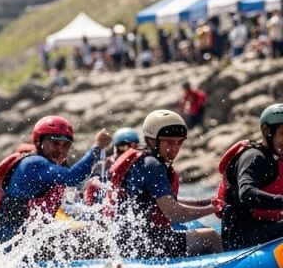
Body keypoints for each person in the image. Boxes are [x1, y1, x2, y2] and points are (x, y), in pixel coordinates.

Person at [109, 110, 221, 257]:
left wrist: (205, 203)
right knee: (211, 237)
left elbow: (165, 201)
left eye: (179, 142)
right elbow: (174, 213)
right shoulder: (153, 165)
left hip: (130, 240)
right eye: (169, 142)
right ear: (151, 140)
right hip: (143, 244)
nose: (175, 148)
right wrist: (214, 209)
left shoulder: (145, 160)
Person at [0, 116, 111, 242]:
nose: (60, 150)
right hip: (12, 244)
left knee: (94, 229)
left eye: (66, 145)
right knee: (89, 235)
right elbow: (73, 178)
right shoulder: (33, 163)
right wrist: (97, 147)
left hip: (31, 241)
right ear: (38, 142)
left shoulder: (50, 166)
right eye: (55, 143)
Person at [216, 105, 283, 250]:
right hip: (240, 237)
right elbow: (246, 193)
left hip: (265, 227)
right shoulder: (253, 157)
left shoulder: (279, 159)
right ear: (266, 131)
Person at [83, 128, 138, 205]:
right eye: (123, 147)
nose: (126, 154)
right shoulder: (103, 166)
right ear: (115, 147)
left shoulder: (138, 166)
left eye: (131, 148)